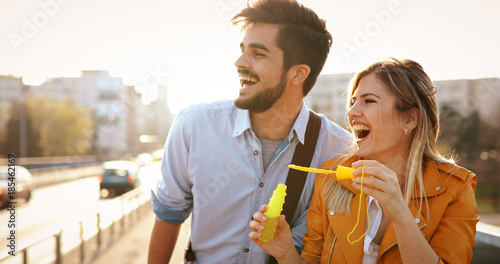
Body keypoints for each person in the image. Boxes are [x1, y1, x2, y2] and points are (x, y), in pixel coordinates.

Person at [147, 0, 352, 263]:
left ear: (298, 73)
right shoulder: (193, 125)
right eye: (243, 49)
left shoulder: (338, 150)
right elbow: (168, 214)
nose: (239, 61)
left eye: (258, 54)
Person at [249, 58, 479, 264]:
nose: (351, 113)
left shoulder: (456, 189)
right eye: (353, 101)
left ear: (410, 118)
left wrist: (399, 213)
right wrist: (286, 254)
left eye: (369, 101)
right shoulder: (331, 179)